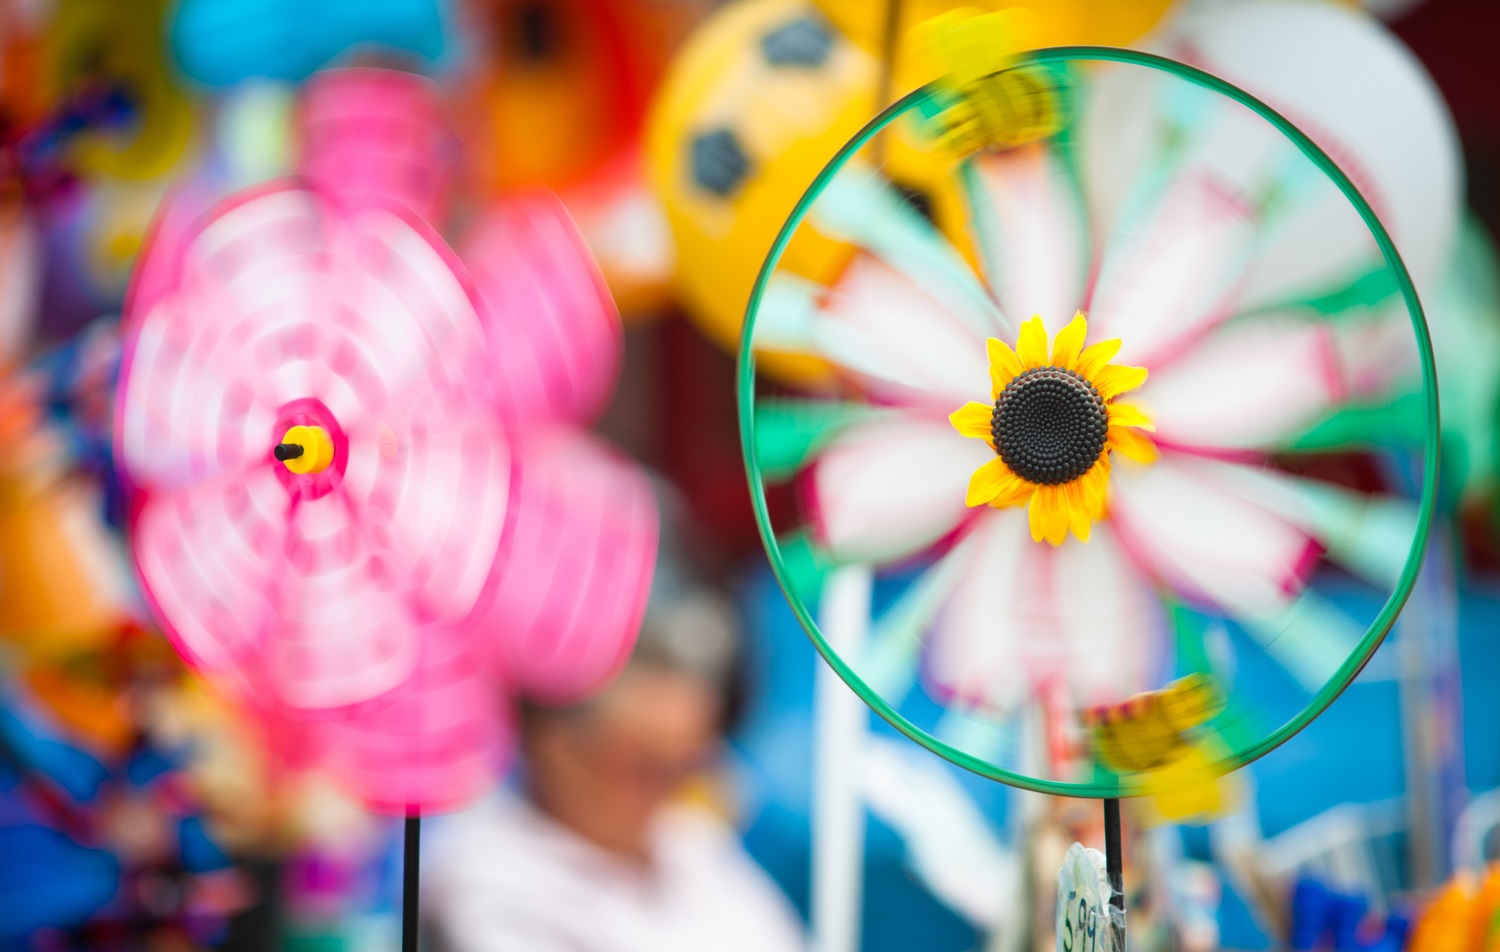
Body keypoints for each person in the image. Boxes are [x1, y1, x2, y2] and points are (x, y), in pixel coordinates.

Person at [425, 591, 805, 952]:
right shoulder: (486, 884)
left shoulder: (692, 842)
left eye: (684, 767)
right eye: (645, 768)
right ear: (553, 745)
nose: (667, 792)